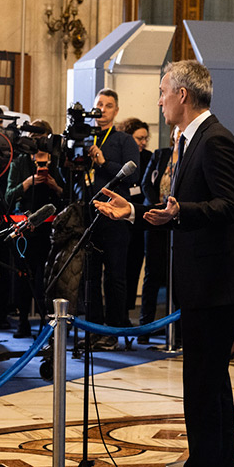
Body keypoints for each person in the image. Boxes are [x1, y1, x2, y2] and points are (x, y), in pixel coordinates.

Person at [95, 60, 234, 467]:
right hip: (204, 281)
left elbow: (227, 206)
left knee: (203, 388)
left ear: (183, 94)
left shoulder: (215, 139)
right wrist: (134, 212)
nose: (159, 99)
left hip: (215, 283)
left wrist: (179, 212)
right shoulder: (189, 140)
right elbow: (176, 208)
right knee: (210, 386)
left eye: (163, 90)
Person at [83, 88, 140, 347]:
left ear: (116, 111)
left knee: (115, 275)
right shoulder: (84, 139)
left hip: (115, 218)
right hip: (89, 217)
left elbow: (134, 176)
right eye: (99, 105)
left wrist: (104, 162)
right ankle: (93, 328)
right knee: (90, 276)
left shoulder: (123, 140)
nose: (103, 110)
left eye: (108, 105)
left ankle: (116, 329)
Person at [5, 135, 65, 336]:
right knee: (24, 276)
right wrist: (27, 183)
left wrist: (54, 185)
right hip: (25, 227)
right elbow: (8, 196)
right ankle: (23, 322)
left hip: (50, 229)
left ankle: (46, 323)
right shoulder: (20, 162)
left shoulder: (57, 161)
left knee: (47, 277)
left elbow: (68, 195)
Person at [137, 128, 176, 340]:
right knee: (152, 272)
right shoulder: (160, 155)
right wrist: (156, 207)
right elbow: (145, 183)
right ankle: (145, 325)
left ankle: (175, 328)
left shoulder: (190, 157)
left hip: (176, 221)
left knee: (175, 274)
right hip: (154, 219)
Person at [121, 117, 152, 318]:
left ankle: (129, 308)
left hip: (140, 218)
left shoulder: (150, 157)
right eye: (139, 138)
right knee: (120, 268)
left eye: (145, 138)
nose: (143, 142)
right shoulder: (122, 156)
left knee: (135, 266)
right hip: (122, 219)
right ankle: (119, 311)